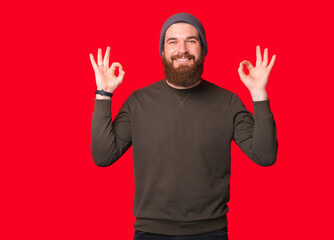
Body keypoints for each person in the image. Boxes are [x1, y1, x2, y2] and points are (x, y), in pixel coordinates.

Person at [90, 12, 278, 240]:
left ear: (203, 50)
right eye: (172, 41)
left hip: (211, 232)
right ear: (162, 52)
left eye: (191, 40)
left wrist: (259, 94)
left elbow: (265, 156)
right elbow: (103, 156)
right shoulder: (138, 101)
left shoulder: (227, 101)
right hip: (151, 232)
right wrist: (104, 94)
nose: (182, 49)